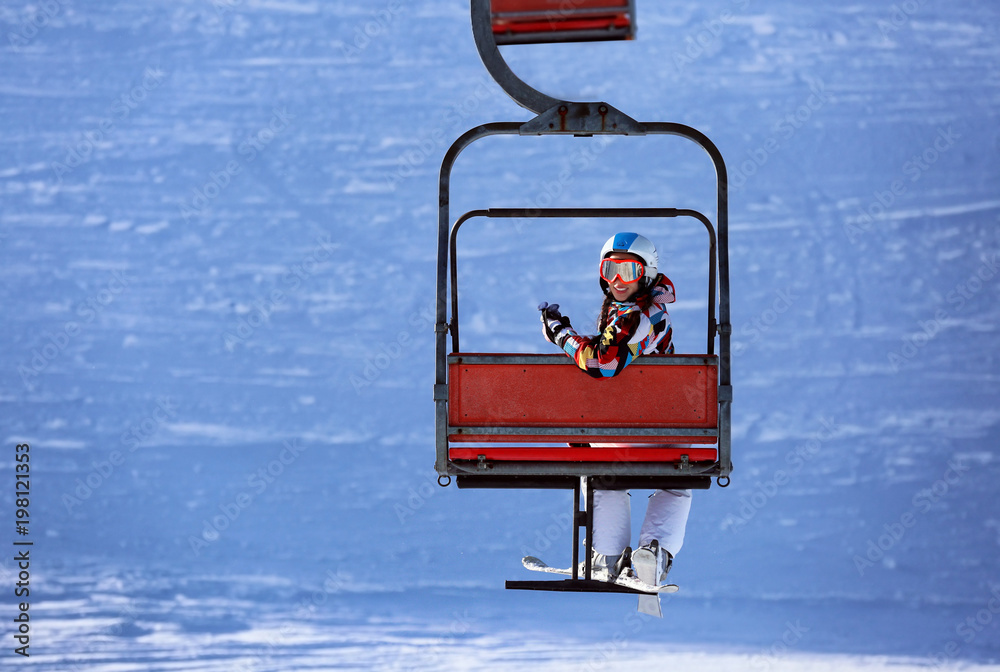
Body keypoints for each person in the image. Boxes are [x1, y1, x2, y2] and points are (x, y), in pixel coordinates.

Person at [538, 232, 692, 585]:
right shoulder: (641, 313)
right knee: (678, 481)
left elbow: (601, 363)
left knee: (596, 467)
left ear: (647, 274)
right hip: (662, 436)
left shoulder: (635, 316)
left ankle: (607, 556)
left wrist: (562, 336)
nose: (618, 281)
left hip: (614, 436)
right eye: (611, 270)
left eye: (629, 271)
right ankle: (655, 551)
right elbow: (608, 350)